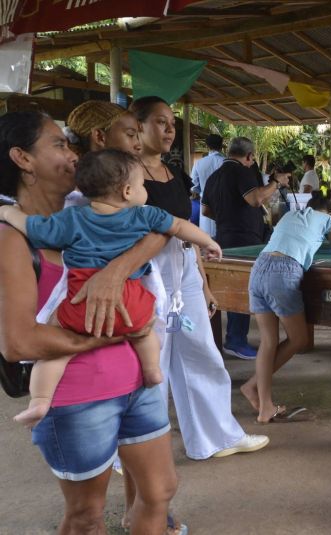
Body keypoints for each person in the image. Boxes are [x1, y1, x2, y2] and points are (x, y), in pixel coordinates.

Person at [0, 111, 178, 533]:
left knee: (161, 491)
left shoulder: (86, 209)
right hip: (77, 397)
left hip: (140, 383)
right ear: (23, 159)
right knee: (86, 516)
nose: (73, 155)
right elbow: (18, 343)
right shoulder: (12, 237)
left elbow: (163, 227)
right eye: (59, 145)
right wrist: (114, 335)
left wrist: (115, 271)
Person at [0, 149, 221, 426]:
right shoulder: (145, 215)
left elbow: (34, 228)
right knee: (145, 332)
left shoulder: (73, 218)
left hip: (82, 300)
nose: (144, 191)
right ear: (128, 191)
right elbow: (178, 226)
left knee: (57, 351)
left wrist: (8, 211)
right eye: (142, 186)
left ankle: (40, 400)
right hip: (132, 302)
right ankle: (152, 372)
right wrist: (208, 243)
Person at [66, 100, 189, 534]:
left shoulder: (127, 188)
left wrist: (116, 272)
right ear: (101, 138)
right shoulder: (82, 200)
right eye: (131, 133)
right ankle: (135, 509)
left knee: (147, 452)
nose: (140, 141)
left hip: (134, 320)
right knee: (85, 507)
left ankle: (139, 509)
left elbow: (159, 228)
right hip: (98, 341)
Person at [130, 96, 269, 460]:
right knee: (152, 357)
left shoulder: (175, 174)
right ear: (138, 126)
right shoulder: (124, 173)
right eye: (160, 122)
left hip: (184, 269)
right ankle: (137, 446)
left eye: (172, 123)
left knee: (201, 351)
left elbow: (187, 229)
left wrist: (204, 283)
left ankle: (216, 436)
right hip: (146, 271)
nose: (169, 129)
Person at [239, 191, 331, 423]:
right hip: (284, 270)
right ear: (329, 212)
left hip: (259, 269)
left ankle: (264, 404)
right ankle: (253, 387)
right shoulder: (327, 220)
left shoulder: (290, 215)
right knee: (299, 339)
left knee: (268, 342)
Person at [202, 136, 288, 359]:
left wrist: (227, 215)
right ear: (249, 156)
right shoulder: (241, 172)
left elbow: (205, 211)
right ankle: (236, 340)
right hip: (244, 241)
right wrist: (275, 183)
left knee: (231, 290)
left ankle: (233, 338)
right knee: (242, 291)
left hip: (223, 237)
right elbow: (256, 199)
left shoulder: (213, 177)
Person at [191, 133, 225, 238]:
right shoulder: (226, 162)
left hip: (205, 205)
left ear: (207, 146)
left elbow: (194, 186)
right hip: (224, 204)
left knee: (207, 240)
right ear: (221, 146)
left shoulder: (199, 163)